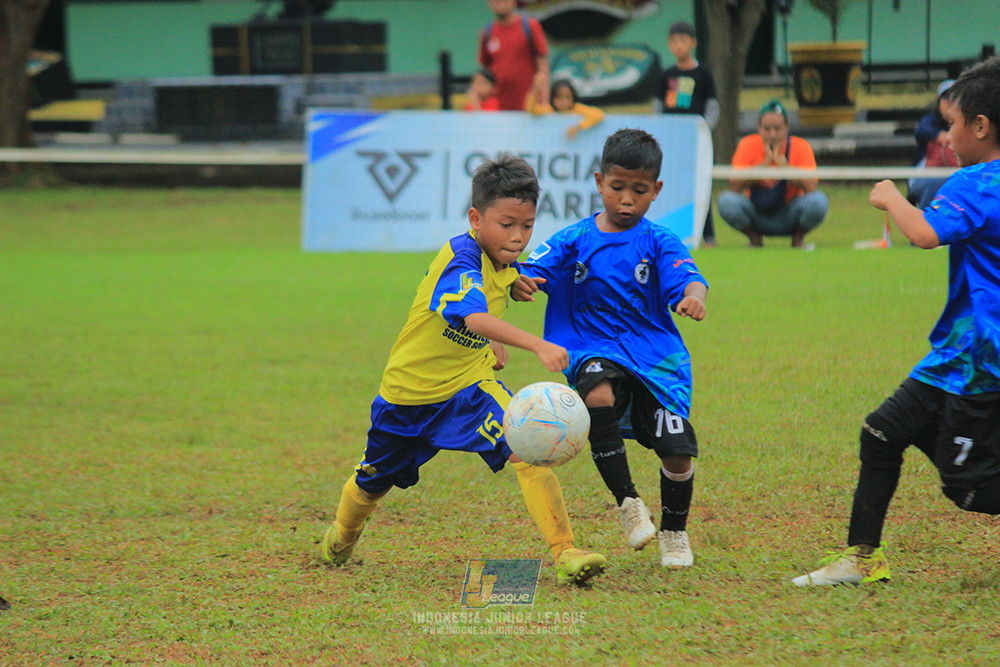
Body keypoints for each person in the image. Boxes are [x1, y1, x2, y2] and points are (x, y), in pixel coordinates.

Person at [319, 154, 607, 586]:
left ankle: (566, 550)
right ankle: (342, 537)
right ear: (476, 218)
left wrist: (514, 285)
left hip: (470, 392)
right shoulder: (461, 259)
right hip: (407, 397)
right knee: (371, 485)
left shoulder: (502, 260)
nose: (517, 237)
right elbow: (471, 315)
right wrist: (534, 343)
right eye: (506, 225)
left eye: (526, 226)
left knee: (526, 445)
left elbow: (494, 289)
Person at [793, 56, 1000, 587]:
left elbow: (926, 234)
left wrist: (889, 197)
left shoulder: (976, 182)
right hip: (955, 352)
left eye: (952, 123)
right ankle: (863, 559)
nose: (946, 134)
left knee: (966, 489)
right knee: (882, 432)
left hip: (981, 360)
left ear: (981, 126)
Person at [513, 129, 709, 568]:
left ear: (656, 191)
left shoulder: (658, 240)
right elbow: (529, 267)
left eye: (639, 191)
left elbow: (689, 276)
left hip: (655, 360)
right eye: (617, 187)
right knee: (597, 393)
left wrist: (694, 296)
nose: (626, 199)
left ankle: (675, 532)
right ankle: (628, 503)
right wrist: (524, 282)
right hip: (591, 346)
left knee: (677, 450)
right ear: (599, 181)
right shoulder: (574, 238)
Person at [717, 100, 829, 248]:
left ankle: (798, 238)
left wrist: (785, 167)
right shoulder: (747, 145)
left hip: (790, 212)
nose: (772, 134)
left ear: (787, 127)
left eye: (777, 128)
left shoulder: (800, 146)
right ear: (759, 127)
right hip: (757, 213)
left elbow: (811, 188)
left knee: (819, 201)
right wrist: (763, 165)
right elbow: (734, 187)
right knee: (726, 201)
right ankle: (754, 238)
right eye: (767, 129)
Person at [658, 20, 720, 247]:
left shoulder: (703, 73)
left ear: (693, 43)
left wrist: (704, 131)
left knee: (699, 187)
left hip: (695, 143)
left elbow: (712, 106)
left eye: (683, 41)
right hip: (672, 142)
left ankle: (708, 236)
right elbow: (659, 107)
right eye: (674, 41)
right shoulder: (667, 74)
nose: (678, 46)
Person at [479, 0, 550, 112]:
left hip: (529, 107)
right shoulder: (487, 32)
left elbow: (543, 68)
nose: (500, 4)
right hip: (498, 109)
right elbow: (484, 72)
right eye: (495, 1)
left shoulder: (530, 26)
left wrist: (544, 102)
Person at [908, 79, 959, 209]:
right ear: (939, 103)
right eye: (946, 99)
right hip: (923, 177)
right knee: (936, 183)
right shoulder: (930, 121)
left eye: (955, 98)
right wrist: (938, 136)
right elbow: (920, 130)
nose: (950, 103)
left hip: (955, 176)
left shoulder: (966, 126)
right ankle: (923, 222)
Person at [525, 78, 605, 140]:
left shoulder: (576, 109)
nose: (564, 101)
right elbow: (532, 110)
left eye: (567, 97)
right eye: (559, 97)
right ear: (553, 98)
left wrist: (578, 127)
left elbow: (598, 114)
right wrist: (536, 91)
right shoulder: (549, 110)